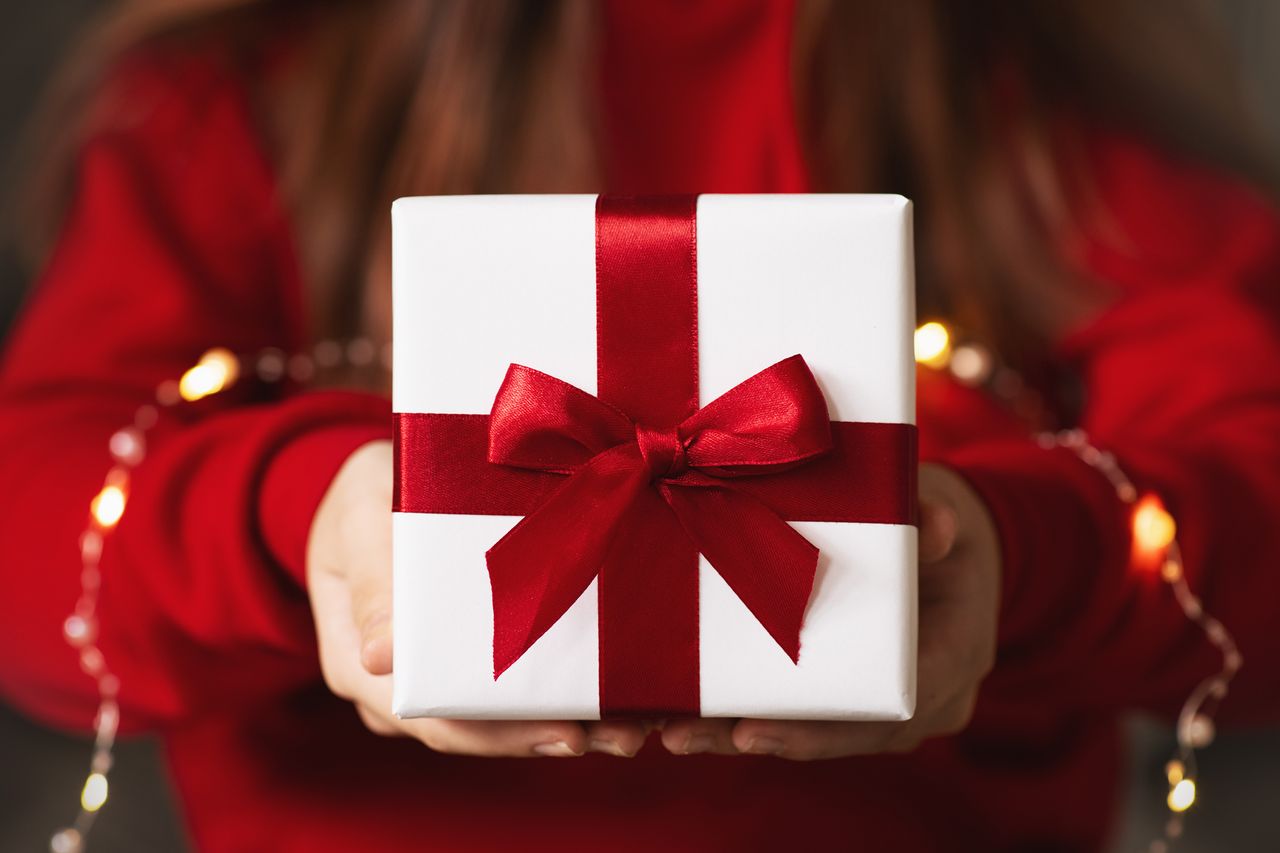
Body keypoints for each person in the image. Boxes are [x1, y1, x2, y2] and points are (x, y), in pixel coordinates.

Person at [2, 1, 1279, 850]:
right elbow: (31, 544)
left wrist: (1016, 556)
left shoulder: (1035, 100)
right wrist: (298, 522)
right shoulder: (242, 96)